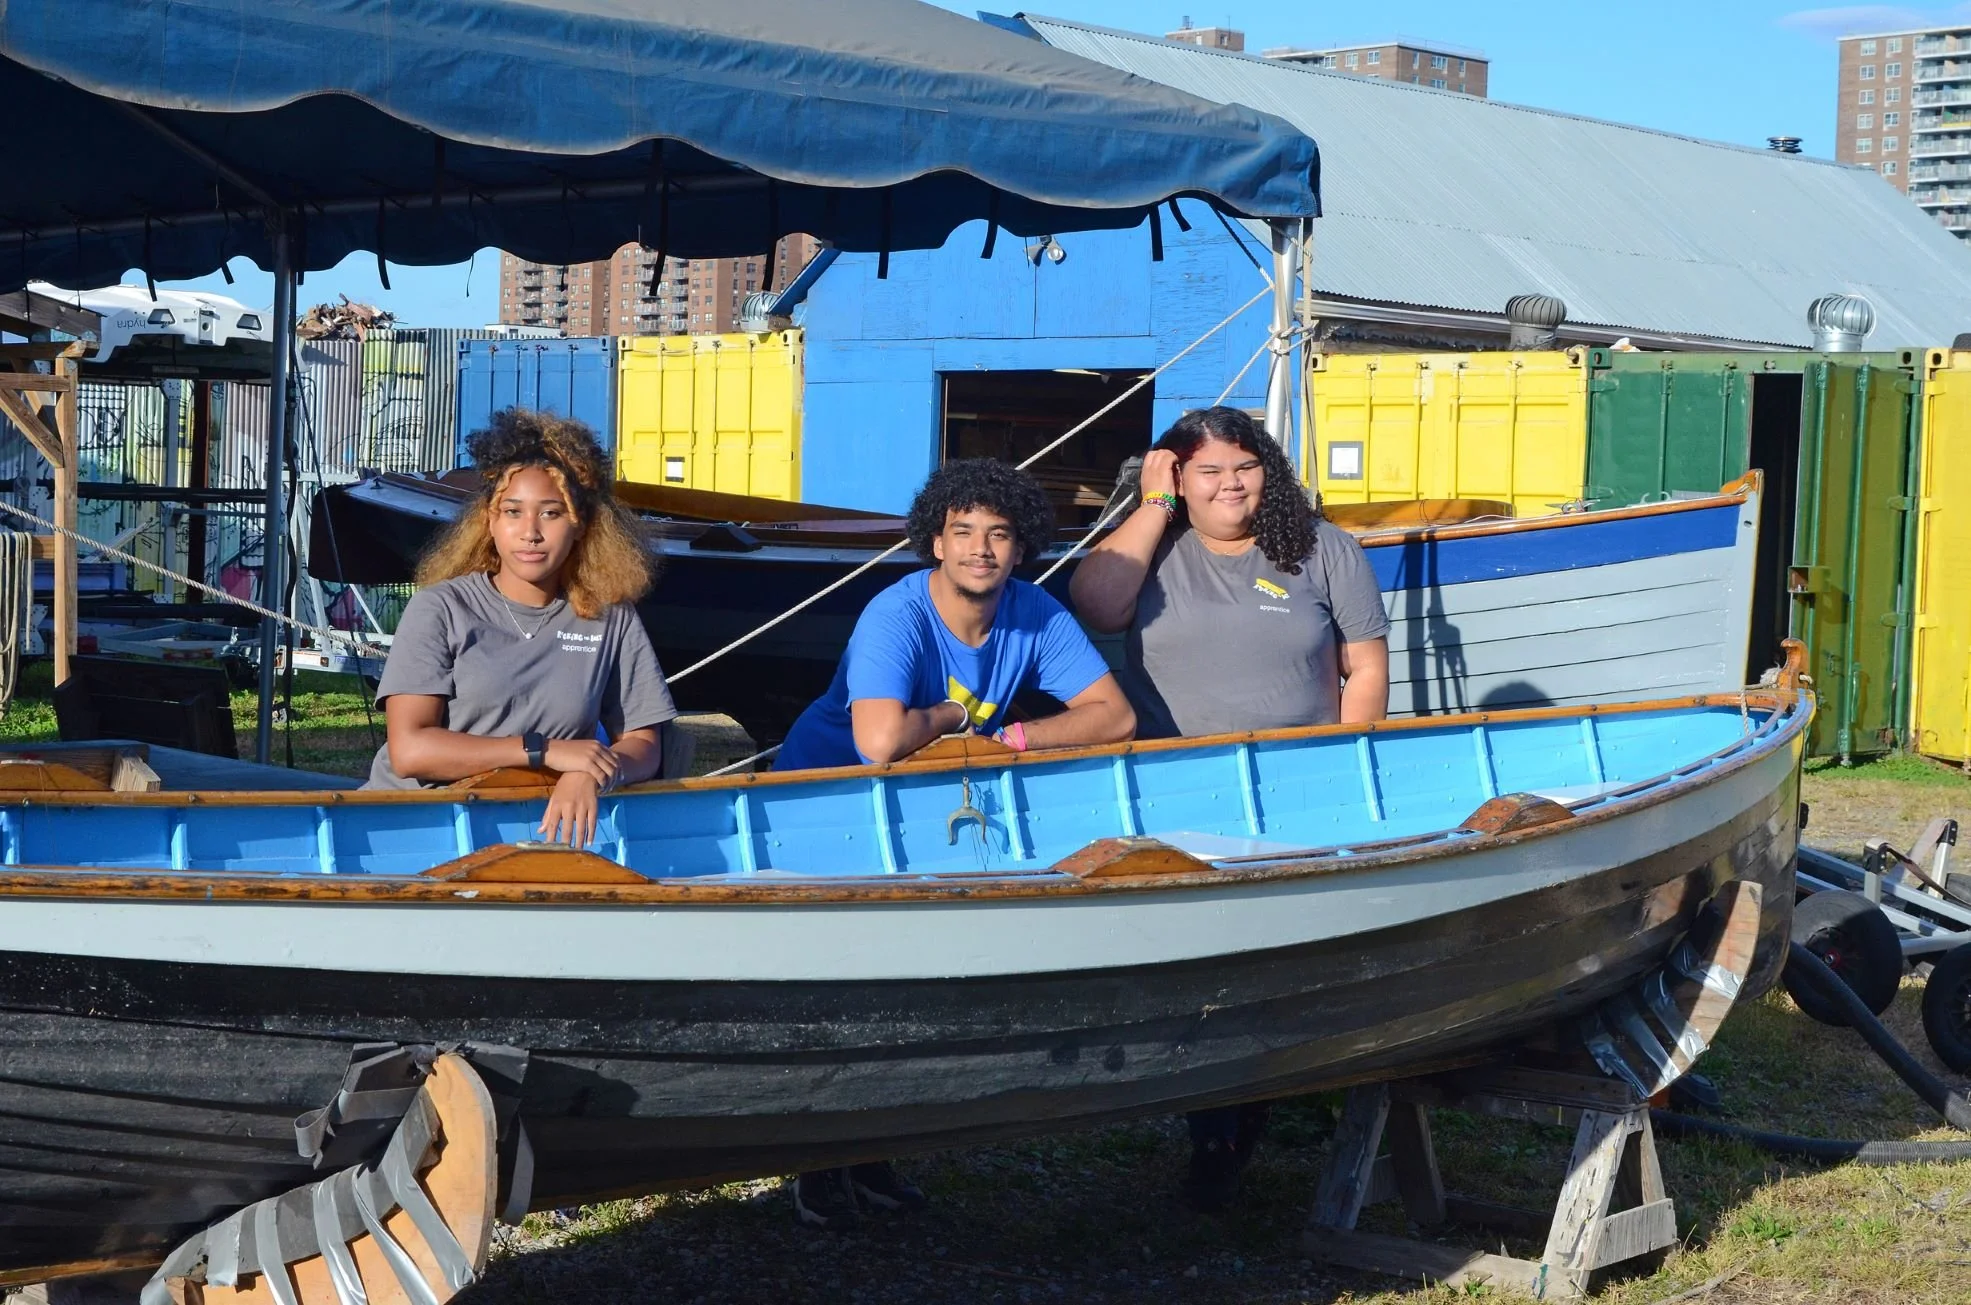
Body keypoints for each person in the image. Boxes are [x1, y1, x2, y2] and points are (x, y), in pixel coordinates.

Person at [776, 458, 1136, 1229]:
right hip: (819, 799)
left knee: (903, 983)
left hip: (914, 807)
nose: (980, 549)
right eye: (962, 531)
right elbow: (877, 741)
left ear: (1019, 548)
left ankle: (866, 1152)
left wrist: (1012, 734)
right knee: (832, 985)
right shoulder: (895, 614)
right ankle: (814, 1161)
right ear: (933, 541)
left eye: (998, 534)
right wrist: (947, 716)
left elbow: (1113, 715)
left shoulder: (1033, 612)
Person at [1070, 405, 1391, 1211]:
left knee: (1285, 960)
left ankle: (1262, 1107)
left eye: (1242, 467)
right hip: (1175, 794)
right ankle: (1214, 1131)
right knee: (1197, 963)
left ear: (1267, 470)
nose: (1229, 484)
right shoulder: (1153, 548)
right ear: (1176, 474)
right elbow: (1097, 607)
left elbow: (1366, 670)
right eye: (1206, 469)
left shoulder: (1323, 549)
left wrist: (1346, 766)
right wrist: (1151, 504)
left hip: (1298, 793)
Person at [365, 409, 678, 848]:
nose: (529, 532)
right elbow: (411, 750)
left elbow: (644, 742)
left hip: (538, 829)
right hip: (409, 828)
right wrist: (544, 750)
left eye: (550, 514)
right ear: (489, 522)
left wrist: (594, 772)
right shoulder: (441, 607)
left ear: (580, 525)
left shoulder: (610, 617)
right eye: (512, 512)